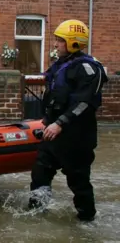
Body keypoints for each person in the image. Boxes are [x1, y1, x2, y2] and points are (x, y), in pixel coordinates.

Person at [28, 19, 108, 222]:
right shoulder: (62, 65)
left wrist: (60, 122)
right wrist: (48, 120)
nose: (55, 44)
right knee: (40, 173)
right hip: (53, 133)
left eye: (60, 41)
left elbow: (85, 103)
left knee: (78, 182)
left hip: (76, 137)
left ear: (72, 43)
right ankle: (36, 213)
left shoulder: (88, 69)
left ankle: (87, 219)